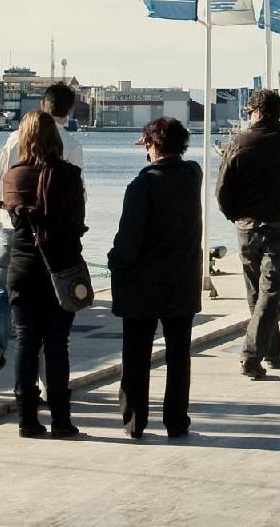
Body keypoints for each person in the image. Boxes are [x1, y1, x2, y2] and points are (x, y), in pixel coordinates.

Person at [0, 83, 85, 394]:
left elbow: (0, 183)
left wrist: (0, 225)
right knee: (48, 306)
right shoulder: (72, 146)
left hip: (12, 229)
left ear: (42, 104)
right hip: (53, 235)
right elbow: (77, 196)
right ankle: (43, 376)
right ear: (70, 109)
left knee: (1, 294)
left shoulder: (14, 140)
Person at [108, 117, 201, 440]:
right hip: (182, 279)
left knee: (136, 356)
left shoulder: (141, 187)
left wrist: (115, 265)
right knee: (178, 356)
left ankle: (135, 422)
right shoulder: (193, 176)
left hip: (142, 284)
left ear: (152, 146)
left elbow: (129, 241)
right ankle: (176, 420)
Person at [2, 111, 87, 438]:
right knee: (57, 344)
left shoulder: (13, 176)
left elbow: (12, 221)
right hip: (61, 267)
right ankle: (61, 420)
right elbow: (77, 222)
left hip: (23, 266)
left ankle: (26, 417)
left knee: (26, 342)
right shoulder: (69, 176)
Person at [216, 88, 280, 380]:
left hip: (248, 225)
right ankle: (264, 353)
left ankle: (259, 353)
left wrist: (234, 215)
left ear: (254, 111)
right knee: (269, 291)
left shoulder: (239, 142)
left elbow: (222, 188)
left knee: (258, 291)